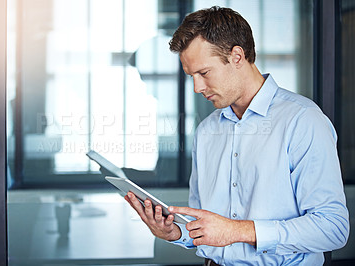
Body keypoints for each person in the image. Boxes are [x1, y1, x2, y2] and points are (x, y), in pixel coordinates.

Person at [124, 6, 349, 265]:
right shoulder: (207, 130)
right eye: (191, 76)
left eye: (204, 73)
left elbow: (333, 228)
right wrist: (174, 232)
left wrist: (237, 231)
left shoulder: (303, 121)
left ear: (237, 57)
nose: (197, 87)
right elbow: (205, 225)